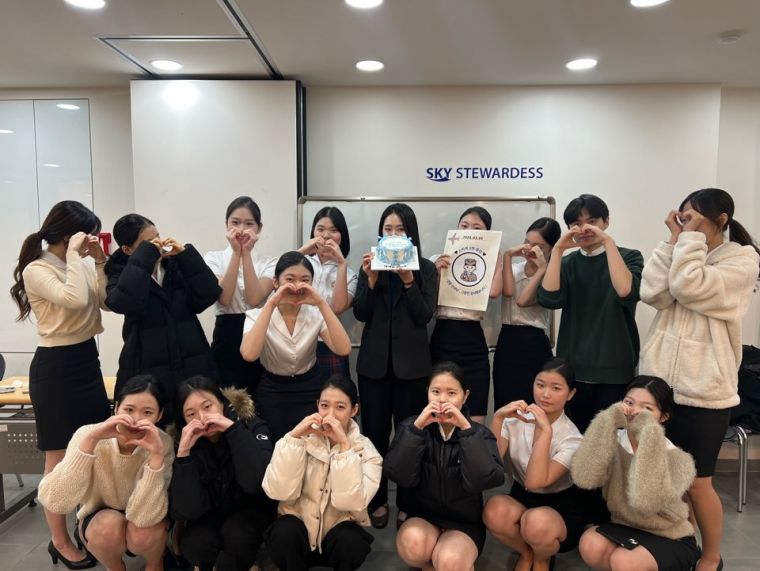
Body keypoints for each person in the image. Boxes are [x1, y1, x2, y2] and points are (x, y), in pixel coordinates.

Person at [639, 188, 760, 571]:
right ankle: (683, 547)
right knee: (667, 480)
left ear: (721, 220)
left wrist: (686, 241)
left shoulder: (742, 260)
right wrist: (672, 241)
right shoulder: (683, 251)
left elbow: (689, 287)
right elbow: (652, 293)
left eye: (693, 218)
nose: (685, 224)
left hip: (706, 391)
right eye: (682, 217)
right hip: (661, 388)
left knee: (697, 482)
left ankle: (711, 557)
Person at [10, 200, 111, 569]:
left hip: (86, 360)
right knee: (57, 458)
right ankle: (59, 539)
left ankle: (88, 529)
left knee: (94, 449)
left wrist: (98, 262)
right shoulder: (36, 269)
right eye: (87, 235)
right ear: (69, 236)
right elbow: (75, 299)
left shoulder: (79, 262)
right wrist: (73, 255)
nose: (90, 241)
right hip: (55, 367)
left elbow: (103, 302)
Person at [353, 202, 438, 528]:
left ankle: (407, 502)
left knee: (410, 437)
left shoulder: (425, 269)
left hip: (412, 369)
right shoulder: (370, 265)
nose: (393, 234)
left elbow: (424, 315)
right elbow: (361, 312)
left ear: (411, 234)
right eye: (387, 229)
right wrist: (371, 280)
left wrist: (408, 280)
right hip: (373, 368)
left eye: (400, 229)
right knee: (373, 435)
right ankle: (376, 500)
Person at [38, 375, 174, 571]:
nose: (135, 420)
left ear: (160, 415)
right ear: (116, 408)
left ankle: (155, 564)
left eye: (147, 412)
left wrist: (156, 457)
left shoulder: (162, 443)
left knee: (143, 533)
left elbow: (145, 517)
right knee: (107, 527)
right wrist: (90, 441)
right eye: (129, 409)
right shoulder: (88, 434)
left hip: (144, 515)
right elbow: (55, 500)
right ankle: (115, 567)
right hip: (98, 516)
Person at [537, 194, 643, 432]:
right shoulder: (568, 263)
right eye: (576, 223)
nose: (584, 229)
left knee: (611, 440)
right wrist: (558, 250)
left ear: (606, 222)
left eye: (592, 221)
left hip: (615, 367)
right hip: (573, 368)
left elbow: (626, 291)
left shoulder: (630, 256)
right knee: (575, 439)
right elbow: (550, 299)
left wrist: (608, 243)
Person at [571, 376, 700, 571]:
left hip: (669, 535)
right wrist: (606, 421)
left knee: (624, 561)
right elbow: (584, 478)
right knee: (590, 544)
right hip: (624, 525)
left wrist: (649, 437)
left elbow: (646, 502)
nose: (635, 412)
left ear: (663, 417)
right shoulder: (611, 442)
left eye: (647, 408)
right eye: (629, 403)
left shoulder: (679, 459)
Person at [384, 362, 504, 570]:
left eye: (451, 393)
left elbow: (486, 480)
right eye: (436, 391)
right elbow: (397, 473)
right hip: (422, 517)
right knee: (412, 544)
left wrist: (466, 430)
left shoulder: (479, 433)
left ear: (465, 396)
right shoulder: (411, 426)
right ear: (427, 393)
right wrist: (417, 429)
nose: (442, 399)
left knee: (450, 560)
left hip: (464, 523)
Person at [104, 213, 221, 426]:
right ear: (128, 250)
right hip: (146, 364)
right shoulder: (120, 271)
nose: (157, 245)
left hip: (191, 360)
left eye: (157, 237)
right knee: (154, 427)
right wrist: (144, 259)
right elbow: (122, 302)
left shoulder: (174, 264)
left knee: (199, 425)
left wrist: (186, 256)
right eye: (148, 243)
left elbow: (208, 294)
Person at [262, 375, 382, 571]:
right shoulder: (299, 439)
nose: (330, 414)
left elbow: (350, 503)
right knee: (283, 532)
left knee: (351, 542)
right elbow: (277, 491)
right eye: (325, 405)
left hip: (337, 537)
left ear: (354, 410)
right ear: (317, 405)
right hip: (299, 533)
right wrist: (293, 438)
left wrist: (344, 448)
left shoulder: (367, 452)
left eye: (340, 407)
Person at [483, 358, 585, 571]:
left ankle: (542, 558)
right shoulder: (515, 421)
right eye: (540, 385)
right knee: (494, 511)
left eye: (556, 388)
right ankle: (527, 553)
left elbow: (534, 482)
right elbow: (489, 468)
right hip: (521, 496)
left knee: (536, 523)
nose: (545, 394)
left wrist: (546, 431)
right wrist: (498, 419)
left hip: (561, 506)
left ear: (571, 394)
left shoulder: (573, 438)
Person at [241, 251, 351, 441]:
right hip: (273, 390)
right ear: (276, 282)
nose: (297, 286)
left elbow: (343, 349)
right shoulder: (256, 315)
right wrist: (272, 303)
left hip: (311, 387)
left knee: (314, 444)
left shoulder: (315, 312)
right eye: (289, 279)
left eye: (305, 280)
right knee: (278, 446)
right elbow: (249, 354)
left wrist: (321, 302)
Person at [170, 376, 275, 571]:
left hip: (251, 509)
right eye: (191, 414)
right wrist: (183, 454)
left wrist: (232, 430)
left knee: (238, 535)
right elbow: (186, 510)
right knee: (196, 544)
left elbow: (254, 482)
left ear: (222, 403)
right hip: (209, 513)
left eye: (207, 407)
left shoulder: (250, 423)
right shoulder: (182, 440)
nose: (202, 418)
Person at [430, 206, 502, 425]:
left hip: (473, 339)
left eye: (477, 228)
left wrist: (496, 258)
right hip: (443, 334)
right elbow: (427, 301)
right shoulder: (438, 258)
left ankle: (473, 446)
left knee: (476, 411)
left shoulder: (490, 260)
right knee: (439, 409)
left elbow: (494, 292)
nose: (469, 230)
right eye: (464, 225)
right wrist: (435, 273)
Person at [204, 196, 277, 393]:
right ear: (226, 225)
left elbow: (255, 299)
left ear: (259, 228)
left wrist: (246, 255)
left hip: (259, 331)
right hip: (226, 333)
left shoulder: (270, 262)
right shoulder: (213, 258)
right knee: (226, 397)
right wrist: (237, 254)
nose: (242, 229)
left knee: (259, 394)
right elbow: (224, 298)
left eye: (249, 224)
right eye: (235, 222)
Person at [493, 217, 561, 408]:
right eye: (527, 242)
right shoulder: (514, 269)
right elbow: (508, 293)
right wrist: (507, 255)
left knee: (534, 406)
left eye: (539, 246)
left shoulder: (551, 278)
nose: (530, 249)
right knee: (505, 402)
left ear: (551, 248)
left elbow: (522, 301)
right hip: (507, 341)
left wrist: (541, 270)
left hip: (534, 344)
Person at [298, 206, 357, 378]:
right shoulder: (301, 263)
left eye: (334, 230)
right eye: (320, 229)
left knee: (335, 392)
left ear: (342, 237)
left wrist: (341, 264)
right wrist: (302, 251)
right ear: (313, 232)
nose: (326, 236)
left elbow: (338, 308)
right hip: (299, 340)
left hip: (331, 343)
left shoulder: (349, 274)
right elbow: (279, 279)